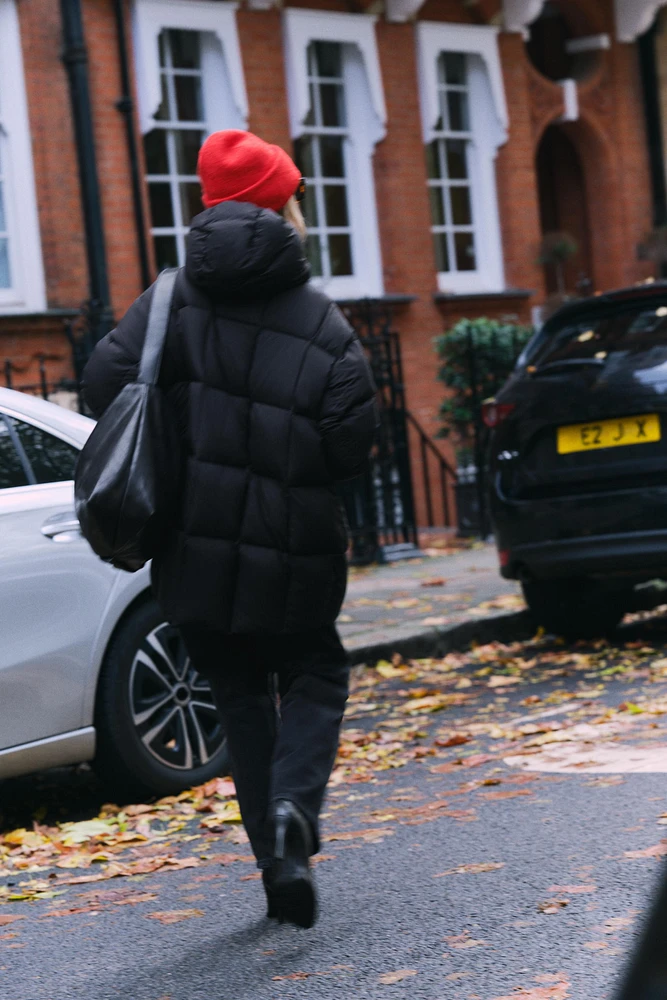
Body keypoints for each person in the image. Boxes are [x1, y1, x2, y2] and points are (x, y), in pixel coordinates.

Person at [82, 129, 377, 929]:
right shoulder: (319, 319)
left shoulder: (165, 302)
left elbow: (101, 386)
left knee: (241, 698)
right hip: (296, 550)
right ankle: (295, 809)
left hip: (193, 552)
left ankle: (276, 859)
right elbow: (353, 439)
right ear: (281, 206)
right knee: (315, 673)